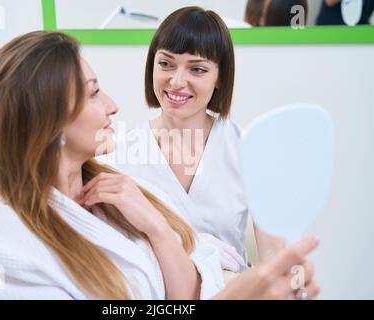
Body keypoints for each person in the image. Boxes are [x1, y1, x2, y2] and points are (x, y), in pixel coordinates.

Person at [0, 31, 319, 300]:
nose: (113, 105)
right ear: (48, 124)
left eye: (197, 68)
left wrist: (158, 228)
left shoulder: (118, 193)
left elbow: (189, 289)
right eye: (94, 93)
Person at [98, 6, 285, 272]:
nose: (176, 81)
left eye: (197, 69)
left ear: (220, 76)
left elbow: (275, 258)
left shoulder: (247, 149)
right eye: (166, 63)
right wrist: (193, 244)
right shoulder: (120, 153)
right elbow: (115, 252)